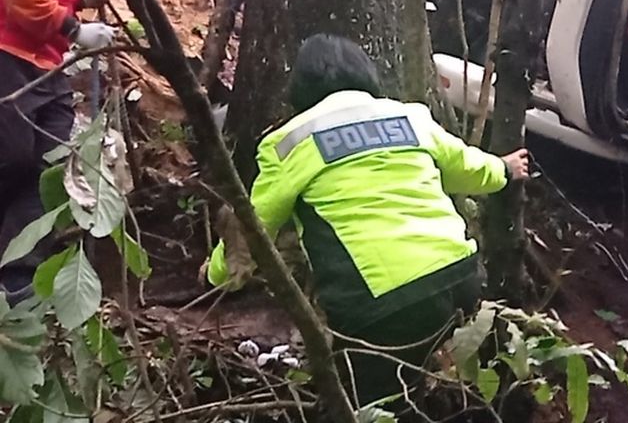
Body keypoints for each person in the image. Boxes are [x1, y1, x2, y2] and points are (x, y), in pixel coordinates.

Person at [205, 34, 531, 405]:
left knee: (375, 405)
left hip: (380, 308)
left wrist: (216, 276)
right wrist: (504, 170)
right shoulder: (410, 116)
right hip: (460, 279)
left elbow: (255, 227)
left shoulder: (290, 143)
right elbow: (466, 168)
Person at [0, 0, 121, 305]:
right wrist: (73, 27)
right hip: (9, 56)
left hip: (45, 66)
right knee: (10, 157)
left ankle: (15, 285)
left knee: (50, 169)